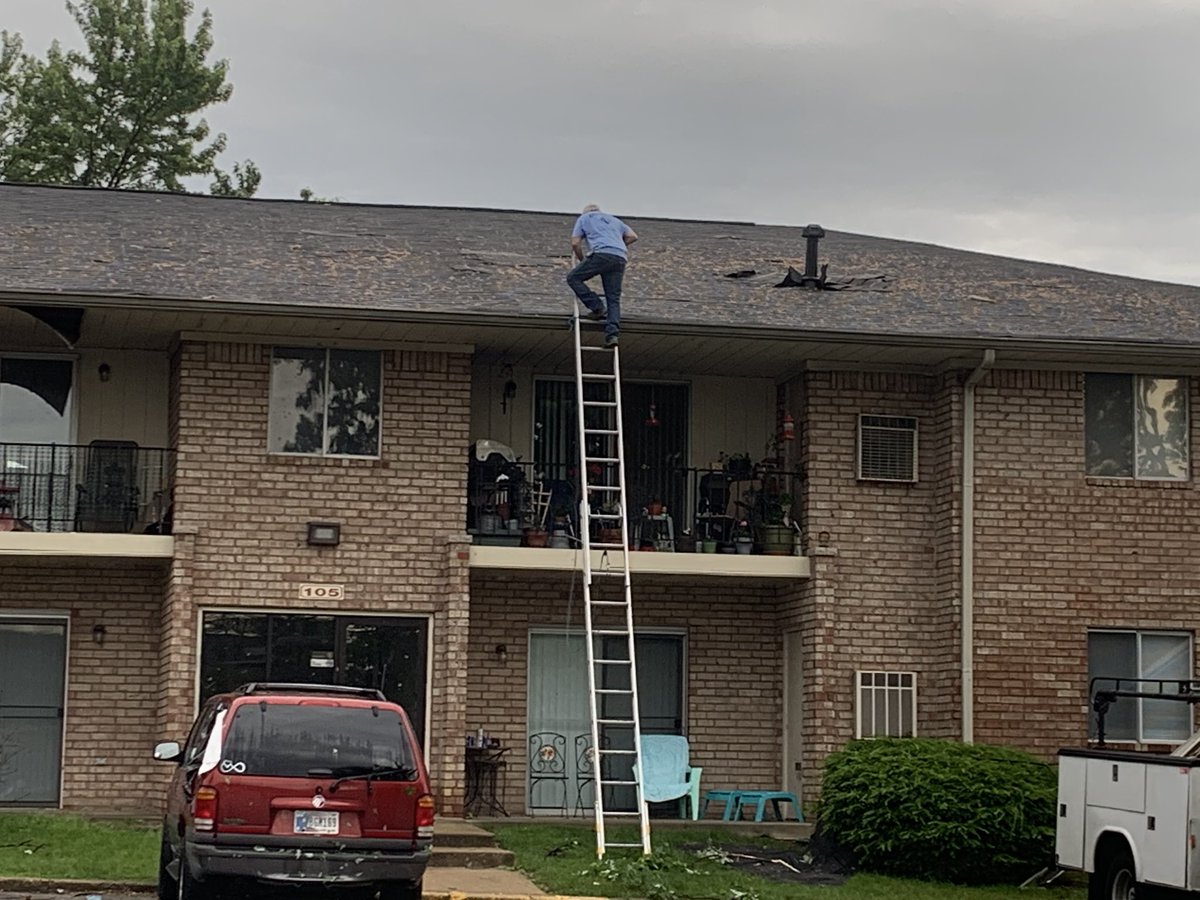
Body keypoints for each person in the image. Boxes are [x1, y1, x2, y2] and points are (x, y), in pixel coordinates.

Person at [566, 204, 638, 347]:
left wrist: (582, 260)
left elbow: (575, 243)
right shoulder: (614, 220)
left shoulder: (584, 218)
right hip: (619, 257)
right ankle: (612, 335)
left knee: (573, 278)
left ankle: (597, 306)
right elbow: (633, 236)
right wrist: (618, 244)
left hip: (601, 254)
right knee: (613, 297)